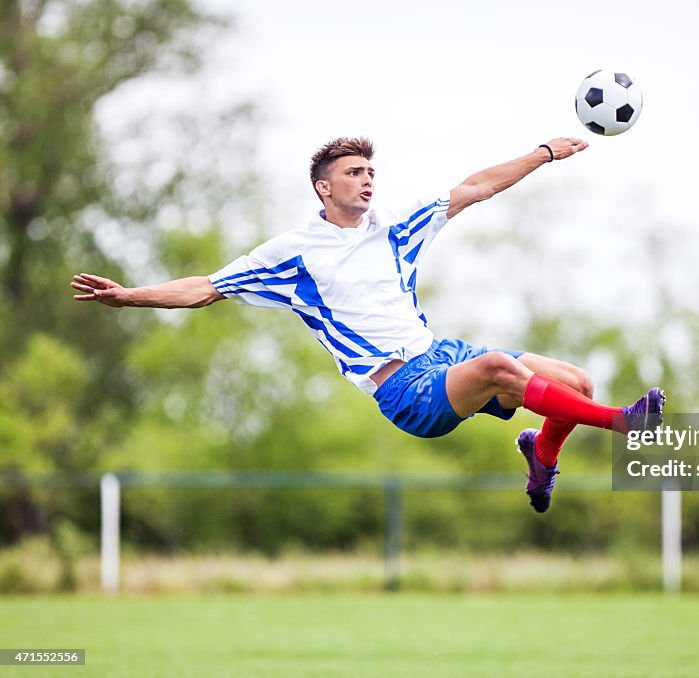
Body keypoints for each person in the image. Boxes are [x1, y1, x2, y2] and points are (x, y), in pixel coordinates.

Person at [70, 136, 665, 513]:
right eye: (354, 172)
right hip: (405, 390)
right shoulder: (293, 252)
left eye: (370, 171)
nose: (367, 179)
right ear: (324, 187)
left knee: (576, 383)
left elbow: (476, 187)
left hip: (442, 355)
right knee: (498, 368)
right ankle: (624, 425)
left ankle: (542, 457)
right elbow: (203, 289)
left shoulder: (396, 227)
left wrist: (543, 153)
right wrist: (130, 296)